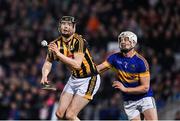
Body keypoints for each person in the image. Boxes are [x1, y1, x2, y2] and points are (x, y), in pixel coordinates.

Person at [40, 16, 101, 120]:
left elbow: (77, 64)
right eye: (64, 24)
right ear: (59, 27)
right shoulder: (56, 44)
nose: (66, 27)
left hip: (89, 79)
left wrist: (58, 54)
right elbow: (48, 62)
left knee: (70, 115)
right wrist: (44, 75)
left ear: (74, 27)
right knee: (59, 114)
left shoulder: (79, 41)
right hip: (74, 78)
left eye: (69, 25)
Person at [97, 31, 158, 120]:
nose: (123, 42)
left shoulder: (141, 62)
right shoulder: (114, 58)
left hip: (144, 98)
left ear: (133, 42)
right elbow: (99, 68)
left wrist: (125, 89)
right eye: (121, 40)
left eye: (126, 39)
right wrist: (83, 68)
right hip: (129, 101)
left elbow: (145, 88)